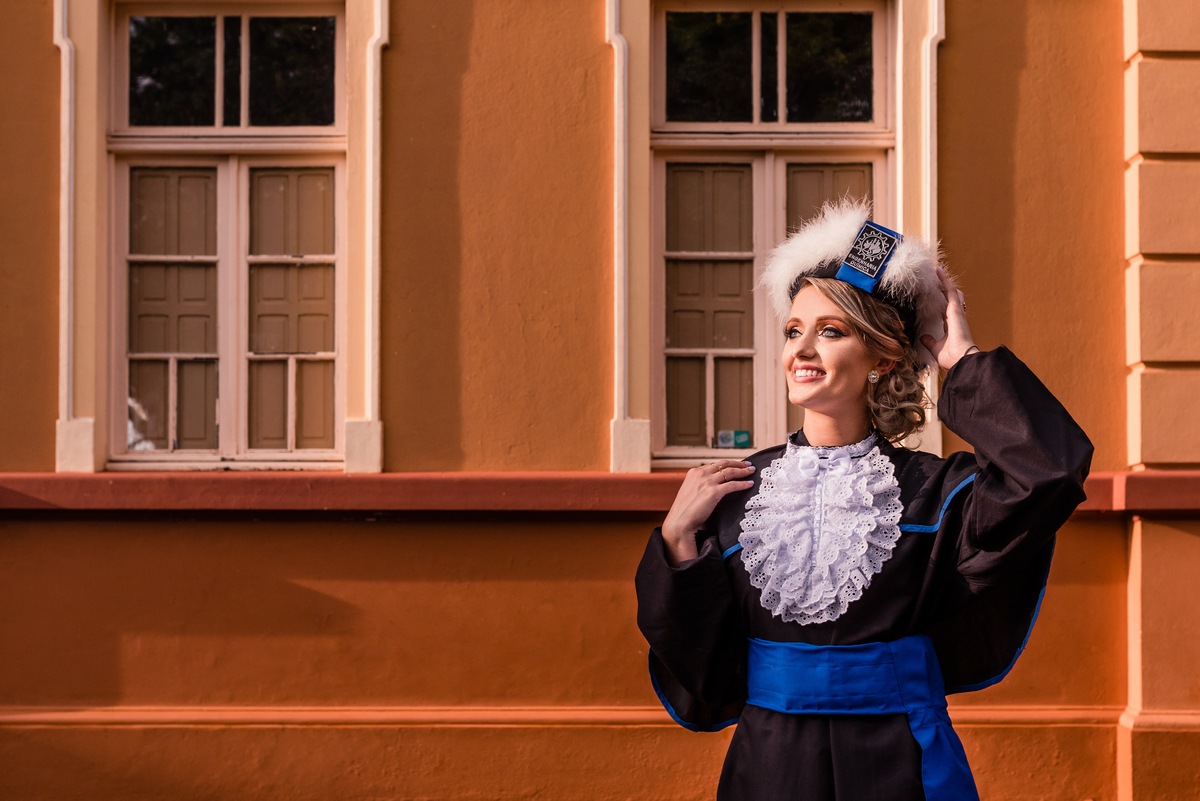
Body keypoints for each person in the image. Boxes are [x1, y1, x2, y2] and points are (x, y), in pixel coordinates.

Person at [635, 200, 1093, 801]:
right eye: (794, 331)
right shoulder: (733, 492)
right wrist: (675, 541)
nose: (801, 350)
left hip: (900, 761)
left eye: (831, 331)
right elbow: (700, 660)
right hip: (770, 767)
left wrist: (962, 360)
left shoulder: (939, 494)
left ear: (882, 358)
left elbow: (1050, 473)